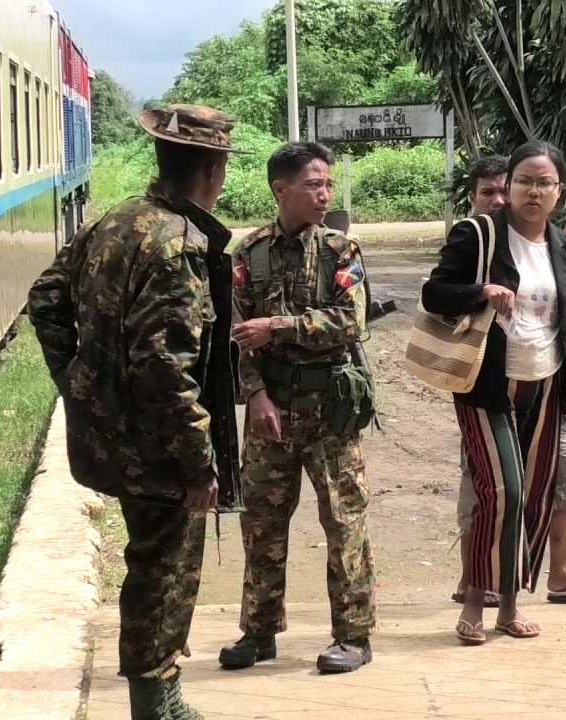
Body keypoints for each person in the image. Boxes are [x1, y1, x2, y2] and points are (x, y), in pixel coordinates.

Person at [26, 104, 241, 720]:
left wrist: (81, 385)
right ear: (213, 168)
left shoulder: (117, 220)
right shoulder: (176, 245)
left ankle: (163, 695)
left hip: (114, 439)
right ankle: (156, 703)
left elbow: (45, 299)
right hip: (159, 449)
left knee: (151, 561)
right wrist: (200, 460)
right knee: (164, 570)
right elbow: (165, 368)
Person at [422, 141, 566, 645]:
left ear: (558, 191)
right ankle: (477, 602)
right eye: (525, 181)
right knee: (503, 491)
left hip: (546, 386)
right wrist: (481, 291)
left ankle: (510, 607)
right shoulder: (479, 234)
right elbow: (434, 293)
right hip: (486, 388)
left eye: (545, 183)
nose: (533, 191)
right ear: (509, 187)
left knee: (536, 497)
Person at [219, 141, 378, 674]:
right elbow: (234, 334)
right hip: (270, 409)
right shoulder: (248, 255)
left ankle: (353, 637)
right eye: (314, 185)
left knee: (344, 520)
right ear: (280, 190)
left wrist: (281, 327)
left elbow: (350, 321)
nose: (325, 194)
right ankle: (259, 632)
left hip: (329, 407)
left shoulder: (340, 252)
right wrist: (256, 396)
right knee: (261, 524)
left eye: (328, 184)